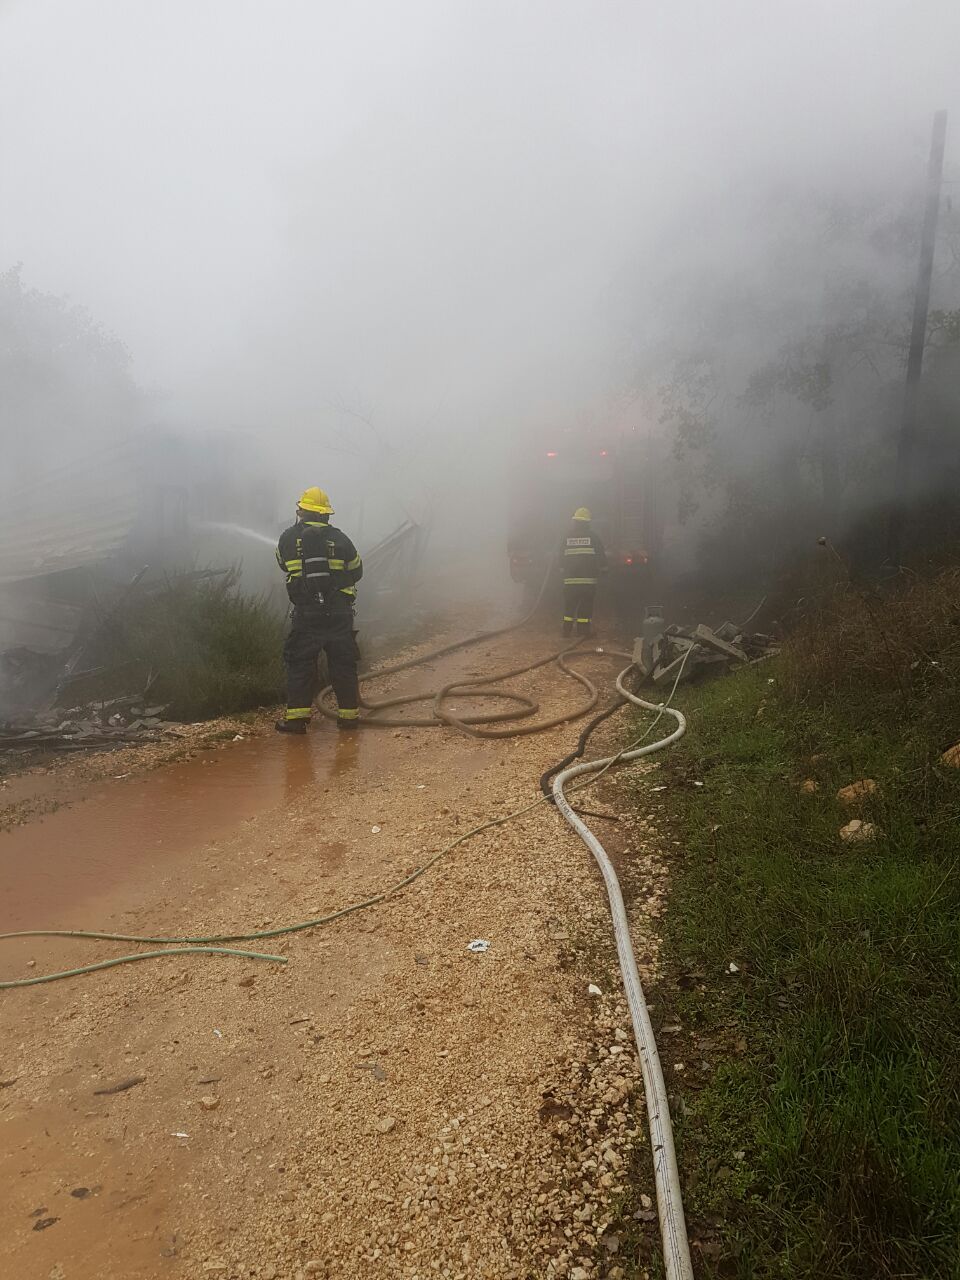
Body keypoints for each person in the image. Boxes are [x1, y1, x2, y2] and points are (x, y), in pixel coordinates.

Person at [275, 487, 363, 734]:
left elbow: (282, 564)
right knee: (343, 663)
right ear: (325, 514)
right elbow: (357, 570)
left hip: (307, 612)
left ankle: (296, 720)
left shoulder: (288, 538)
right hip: (338, 613)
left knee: (301, 662)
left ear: (302, 512)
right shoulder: (341, 538)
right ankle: (349, 718)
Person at [560, 507, 605, 636]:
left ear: (575, 521)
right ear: (587, 522)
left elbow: (560, 556)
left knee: (569, 606)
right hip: (587, 582)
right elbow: (601, 555)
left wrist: (563, 569)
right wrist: (604, 569)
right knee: (585, 606)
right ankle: (583, 632)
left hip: (570, 581)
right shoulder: (593, 537)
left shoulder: (567, 536)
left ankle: (566, 631)